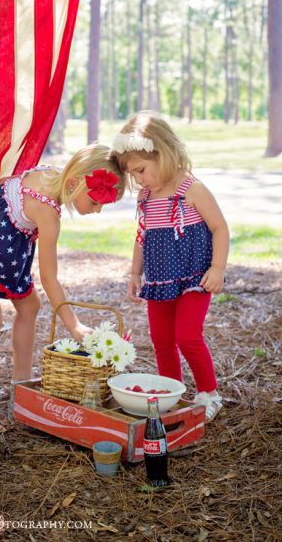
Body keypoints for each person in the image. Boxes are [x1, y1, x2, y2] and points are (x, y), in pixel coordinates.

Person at [0, 144, 125, 434]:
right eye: (95, 202)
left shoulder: (50, 175)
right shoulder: (48, 215)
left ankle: (21, 382)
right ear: (73, 184)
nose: (98, 210)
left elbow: (6, 183)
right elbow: (50, 278)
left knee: (30, 306)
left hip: (4, 247)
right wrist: (74, 325)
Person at [112, 112, 229, 422]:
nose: (139, 180)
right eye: (133, 175)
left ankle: (209, 393)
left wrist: (217, 268)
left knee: (187, 335)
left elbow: (220, 227)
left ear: (163, 154)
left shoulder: (191, 189)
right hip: (160, 279)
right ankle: (171, 392)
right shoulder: (148, 196)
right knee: (161, 340)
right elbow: (142, 236)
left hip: (195, 277)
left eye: (141, 170)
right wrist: (135, 272)